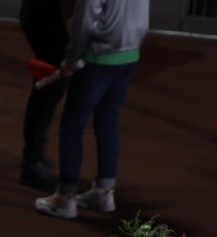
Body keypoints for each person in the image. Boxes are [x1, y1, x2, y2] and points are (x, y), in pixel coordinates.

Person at [35, 0, 149, 220]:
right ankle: (104, 192)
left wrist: (71, 58)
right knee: (107, 124)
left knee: (72, 127)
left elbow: (84, 22)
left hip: (98, 57)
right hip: (129, 55)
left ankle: (65, 198)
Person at [19, 0, 69, 191]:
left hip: (44, 16)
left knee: (50, 90)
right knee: (47, 90)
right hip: (45, 18)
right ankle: (32, 163)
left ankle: (34, 155)